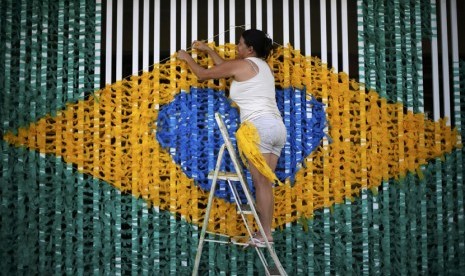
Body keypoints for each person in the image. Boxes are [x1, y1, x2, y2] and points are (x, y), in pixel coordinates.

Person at [177, 29, 287, 247]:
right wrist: (208, 50)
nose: (237, 48)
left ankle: (265, 235)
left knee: (261, 184)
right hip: (276, 128)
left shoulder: (243, 65)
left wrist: (186, 57)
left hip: (258, 129)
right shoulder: (262, 67)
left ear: (250, 49)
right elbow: (226, 68)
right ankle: (265, 233)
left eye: (240, 44)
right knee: (265, 185)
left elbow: (203, 74)